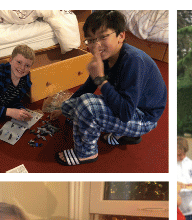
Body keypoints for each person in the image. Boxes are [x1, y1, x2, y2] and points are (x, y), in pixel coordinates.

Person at [57, 10, 166, 166]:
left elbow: (126, 113)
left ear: (121, 36)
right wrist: (62, 109)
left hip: (143, 116)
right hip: (128, 103)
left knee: (87, 106)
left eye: (103, 37)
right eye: (90, 40)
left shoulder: (133, 61)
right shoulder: (107, 56)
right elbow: (88, 86)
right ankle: (125, 135)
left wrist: (101, 80)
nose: (96, 45)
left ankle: (86, 154)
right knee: (68, 107)